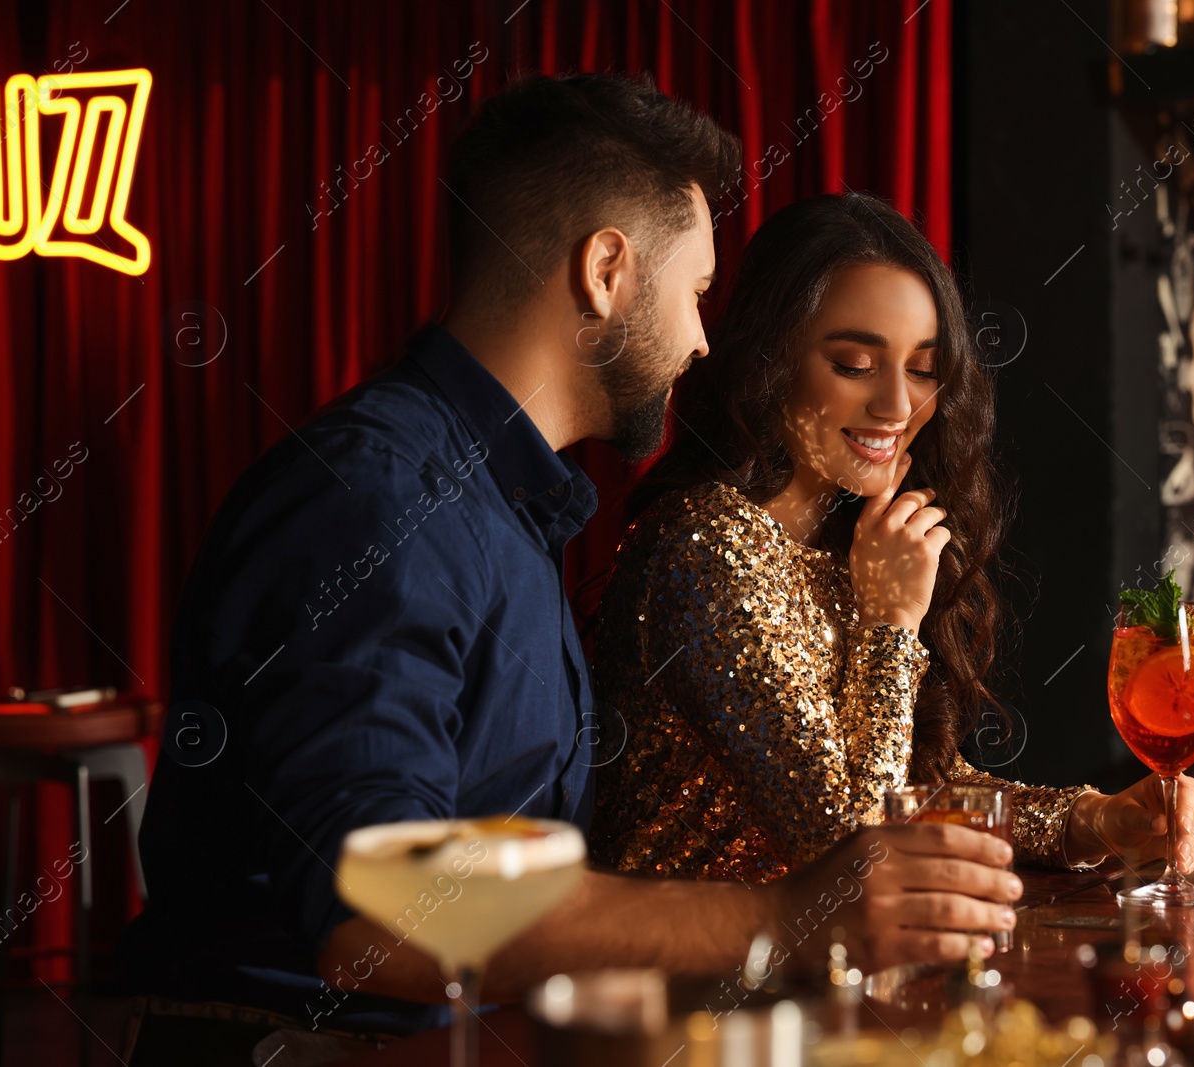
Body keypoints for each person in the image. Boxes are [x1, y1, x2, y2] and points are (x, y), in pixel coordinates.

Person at [117, 75, 1023, 1065]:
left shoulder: (497, 507)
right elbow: (379, 920)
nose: (703, 339)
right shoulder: (379, 500)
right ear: (605, 271)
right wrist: (781, 914)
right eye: (696, 292)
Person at [587, 192, 1194, 882]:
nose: (896, 405)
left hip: (834, 973)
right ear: (770, 361)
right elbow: (856, 850)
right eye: (855, 364)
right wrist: (890, 621)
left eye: (922, 368)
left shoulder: (847, 538)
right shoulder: (704, 546)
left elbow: (911, 787)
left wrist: (1092, 821)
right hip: (699, 982)